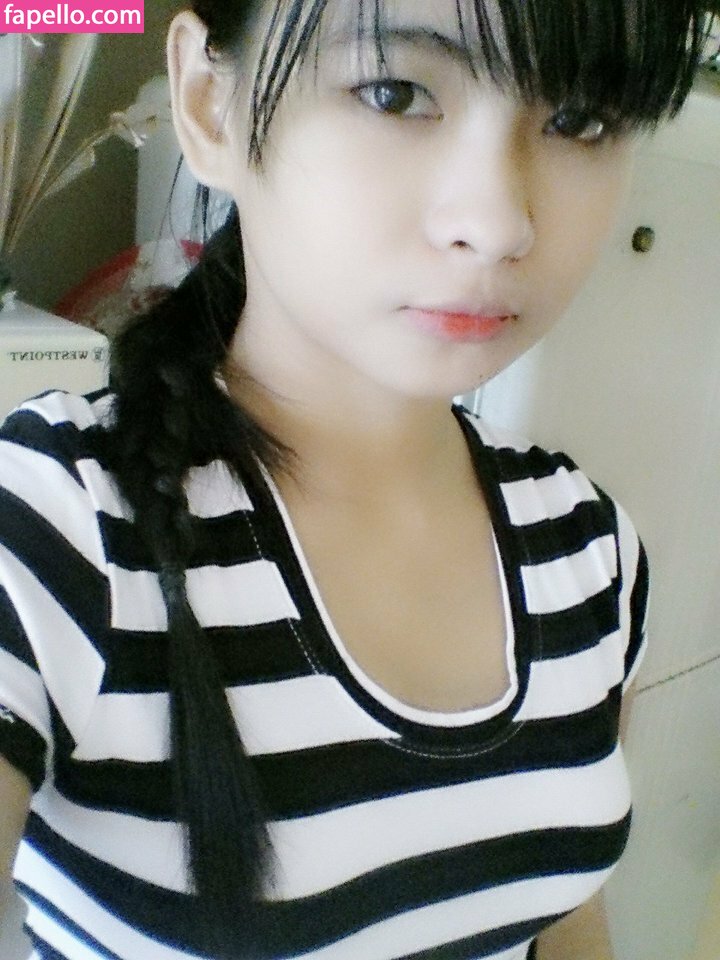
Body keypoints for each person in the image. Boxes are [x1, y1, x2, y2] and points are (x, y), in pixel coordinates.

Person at [0, 1, 704, 958]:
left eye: (580, 120)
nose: (498, 224)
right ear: (209, 103)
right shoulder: (53, 527)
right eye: (394, 92)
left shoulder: (587, 547)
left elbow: (564, 914)